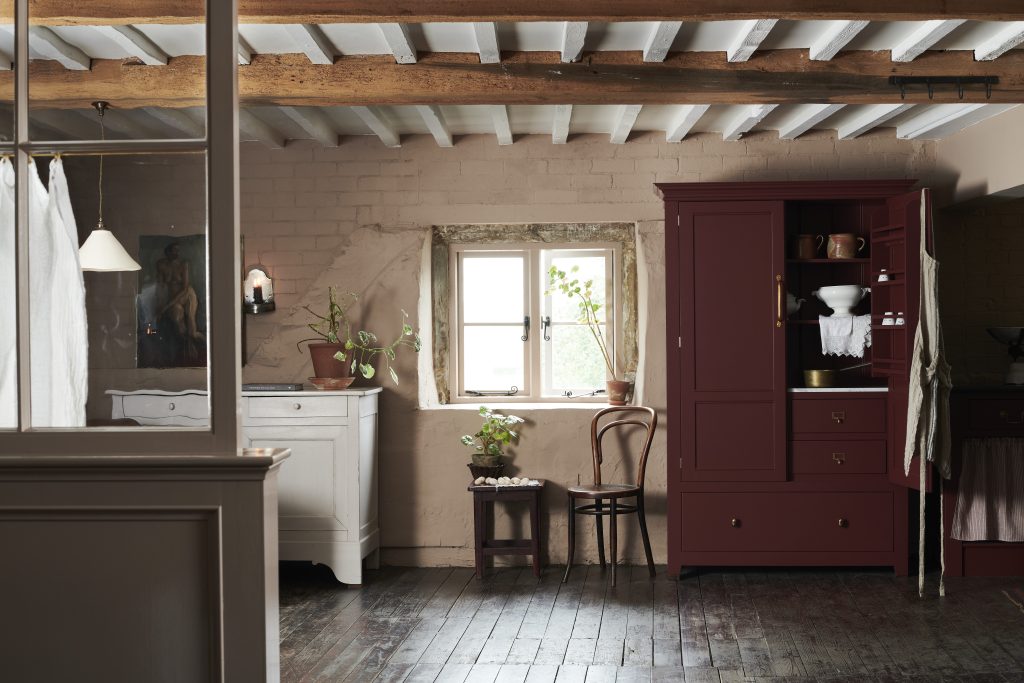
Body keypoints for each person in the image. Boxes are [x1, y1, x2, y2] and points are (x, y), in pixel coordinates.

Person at [156, 242, 204, 363]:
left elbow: (185, 288)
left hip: (187, 296)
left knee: (192, 333)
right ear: (167, 252)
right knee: (180, 327)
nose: (177, 253)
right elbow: (160, 286)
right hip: (173, 298)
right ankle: (189, 346)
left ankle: (209, 345)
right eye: (174, 251)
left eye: (178, 251)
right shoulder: (161, 265)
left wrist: (167, 306)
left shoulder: (183, 264)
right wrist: (161, 305)